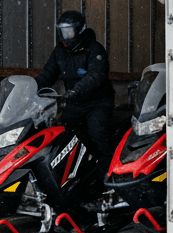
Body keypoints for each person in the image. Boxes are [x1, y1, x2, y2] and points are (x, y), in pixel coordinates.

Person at [35, 10, 117, 169]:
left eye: (69, 31)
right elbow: (48, 73)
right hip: (74, 101)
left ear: (79, 30)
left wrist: (77, 90)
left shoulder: (94, 49)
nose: (65, 36)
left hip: (98, 101)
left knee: (96, 132)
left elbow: (96, 74)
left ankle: (111, 171)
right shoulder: (60, 50)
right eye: (62, 31)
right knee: (64, 133)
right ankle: (74, 174)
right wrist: (32, 87)